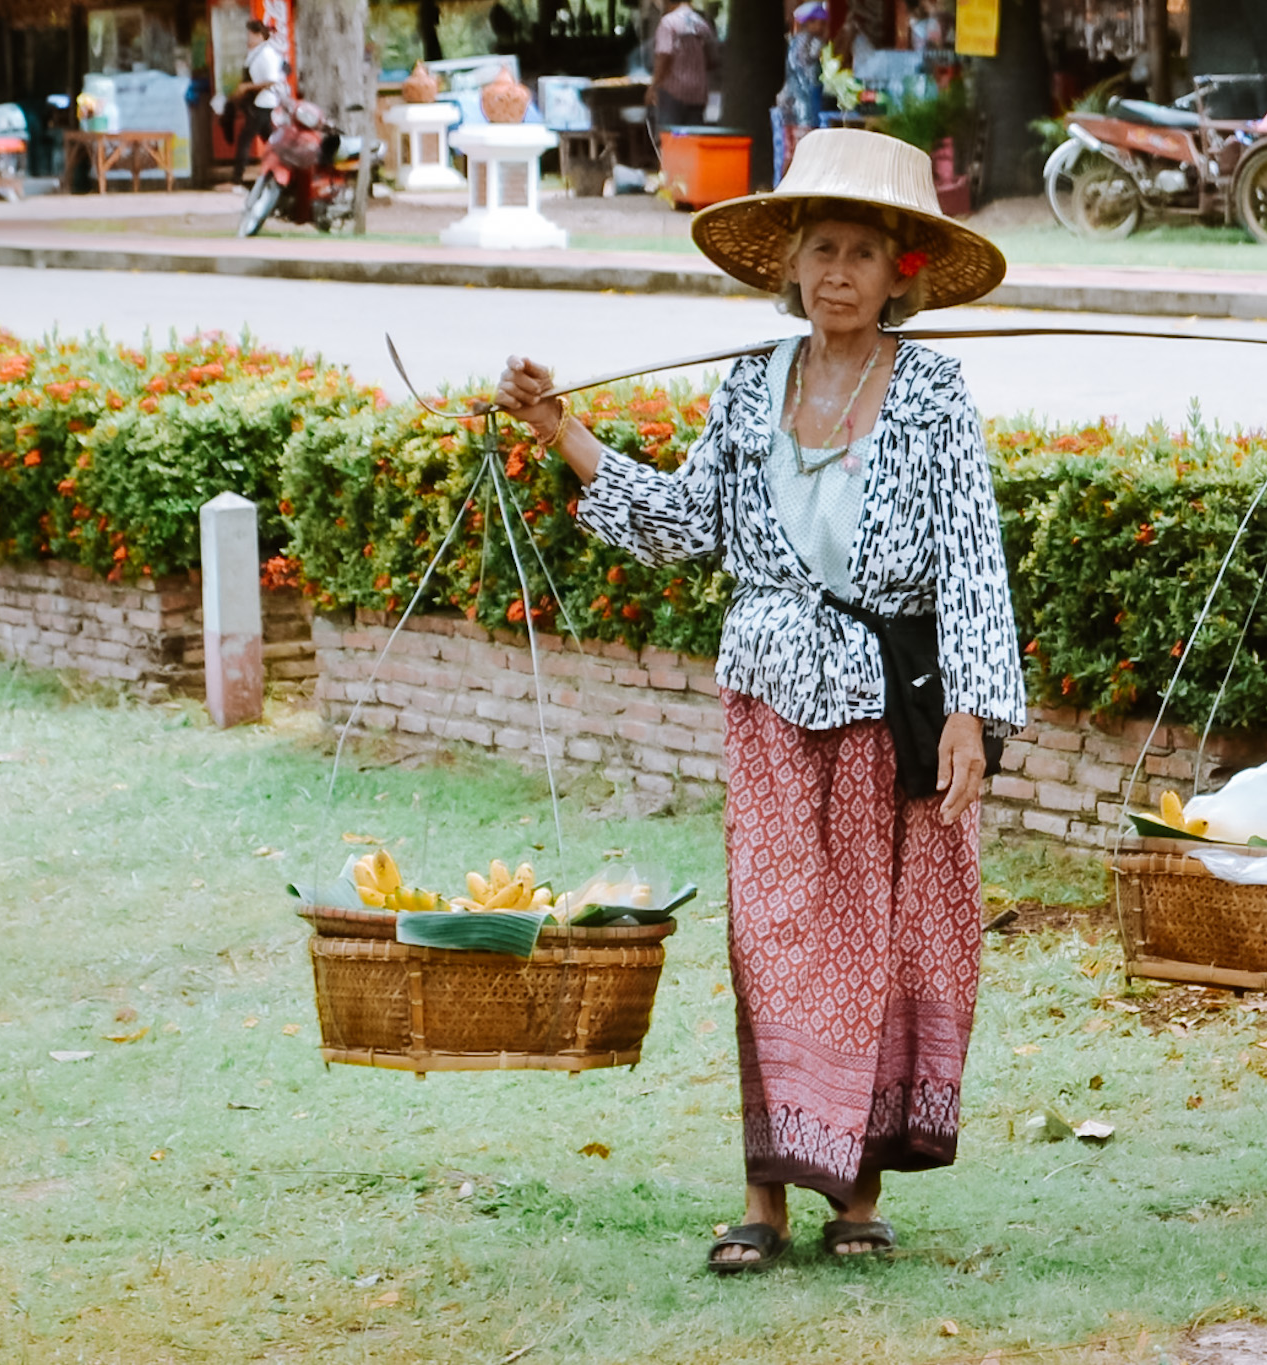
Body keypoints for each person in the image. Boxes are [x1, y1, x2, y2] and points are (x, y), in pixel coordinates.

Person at [494, 129, 1021, 1274]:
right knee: (774, 941)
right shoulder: (748, 386)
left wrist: (975, 711)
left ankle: (858, 1196)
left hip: (891, 708)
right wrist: (560, 432)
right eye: (817, 249)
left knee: (872, 945)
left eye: (860, 254)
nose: (835, 273)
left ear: (901, 273)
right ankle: (764, 1194)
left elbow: (972, 558)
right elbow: (689, 527)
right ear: (787, 267)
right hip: (772, 704)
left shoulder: (932, 393)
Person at [222, 19, 289, 188]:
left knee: (246, 139)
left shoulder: (266, 54)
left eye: (251, 35)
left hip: (262, 102)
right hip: (256, 103)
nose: (248, 38)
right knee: (269, 138)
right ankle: (285, 167)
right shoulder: (256, 52)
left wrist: (247, 87)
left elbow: (272, 80)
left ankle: (237, 178)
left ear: (259, 35)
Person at [775, 1, 829, 179]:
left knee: (789, 152)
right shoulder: (813, 43)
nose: (822, 27)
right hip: (804, 105)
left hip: (789, 103)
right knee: (804, 152)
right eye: (819, 23)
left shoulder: (794, 42)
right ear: (810, 23)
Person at [647, 0, 717, 129]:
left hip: (673, 92)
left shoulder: (668, 23)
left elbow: (664, 56)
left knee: (671, 138)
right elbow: (711, 59)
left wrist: (654, 85)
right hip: (698, 93)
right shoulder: (701, 23)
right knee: (693, 138)